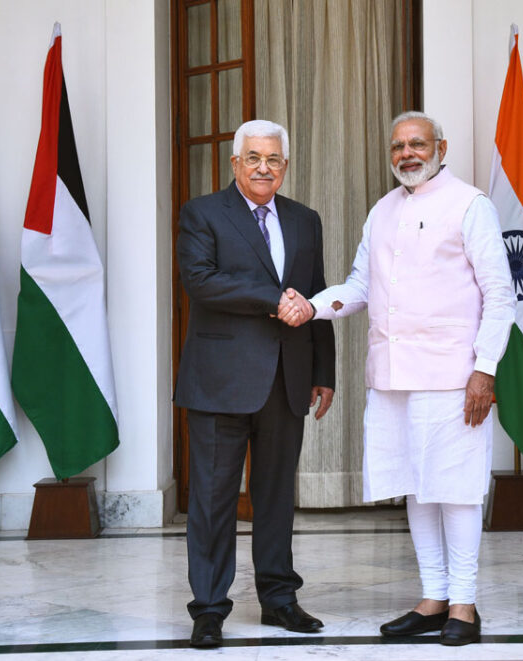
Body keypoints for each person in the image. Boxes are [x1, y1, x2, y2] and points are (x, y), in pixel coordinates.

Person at [278, 111, 516, 646]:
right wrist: (310, 307)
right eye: (398, 147)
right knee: (416, 487)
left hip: (455, 376)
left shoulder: (470, 205)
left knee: (454, 491)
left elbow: (500, 294)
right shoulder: (383, 210)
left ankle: (464, 606)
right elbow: (360, 285)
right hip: (391, 377)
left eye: (417, 144)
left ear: (440, 147)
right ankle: (433, 598)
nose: (407, 154)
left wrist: (485, 370)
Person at [174, 119, 336, 648]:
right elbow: (200, 281)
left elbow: (315, 296)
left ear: (285, 166)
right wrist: (273, 299)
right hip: (220, 382)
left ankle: (279, 600)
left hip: (287, 381)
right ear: (235, 163)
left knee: (274, 499)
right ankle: (210, 609)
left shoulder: (305, 220)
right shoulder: (202, 213)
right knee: (214, 501)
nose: (264, 167)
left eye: (273, 159)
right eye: (253, 158)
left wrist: (323, 372)